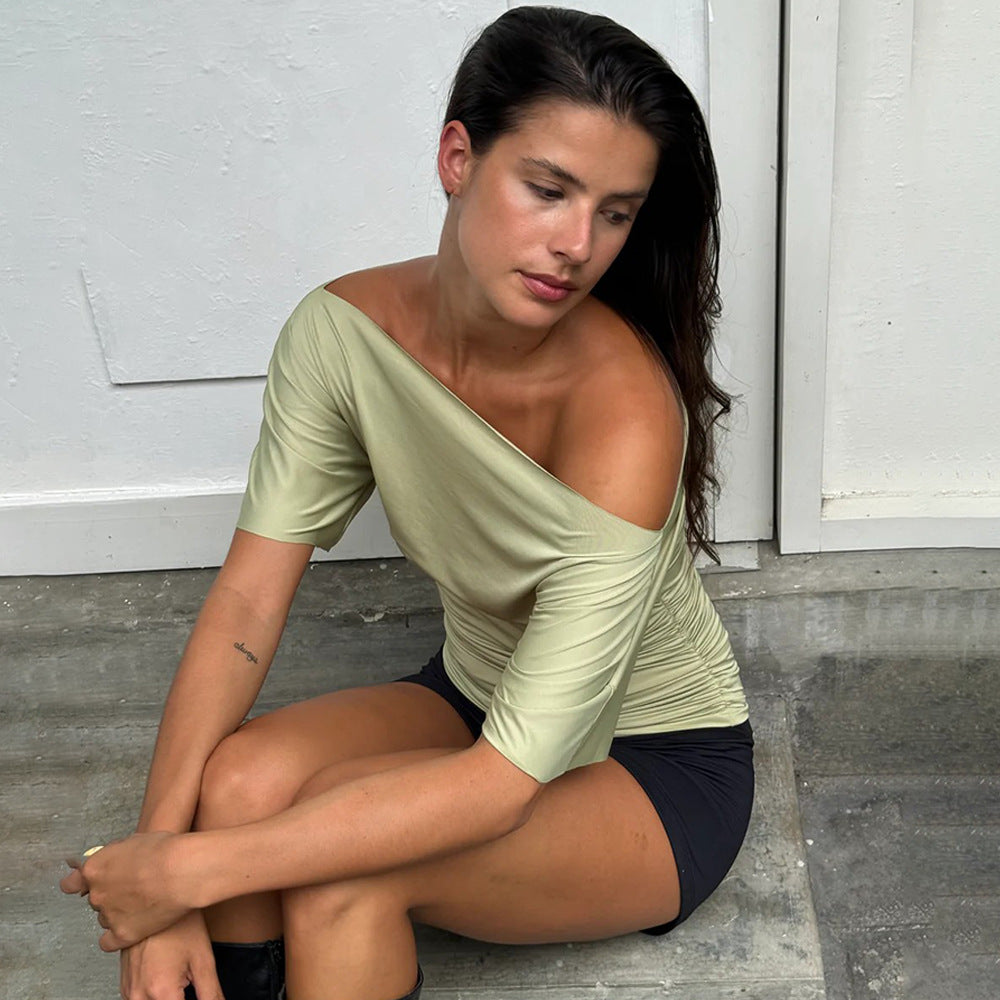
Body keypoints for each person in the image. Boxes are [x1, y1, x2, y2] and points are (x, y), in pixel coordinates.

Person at [61, 7, 754, 1000]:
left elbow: (501, 783)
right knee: (237, 785)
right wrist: (160, 863)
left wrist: (184, 876)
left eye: (614, 212)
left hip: (650, 762)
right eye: (547, 189)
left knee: (339, 869)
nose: (576, 244)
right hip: (474, 693)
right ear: (457, 158)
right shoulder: (343, 336)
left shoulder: (626, 414)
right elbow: (247, 605)